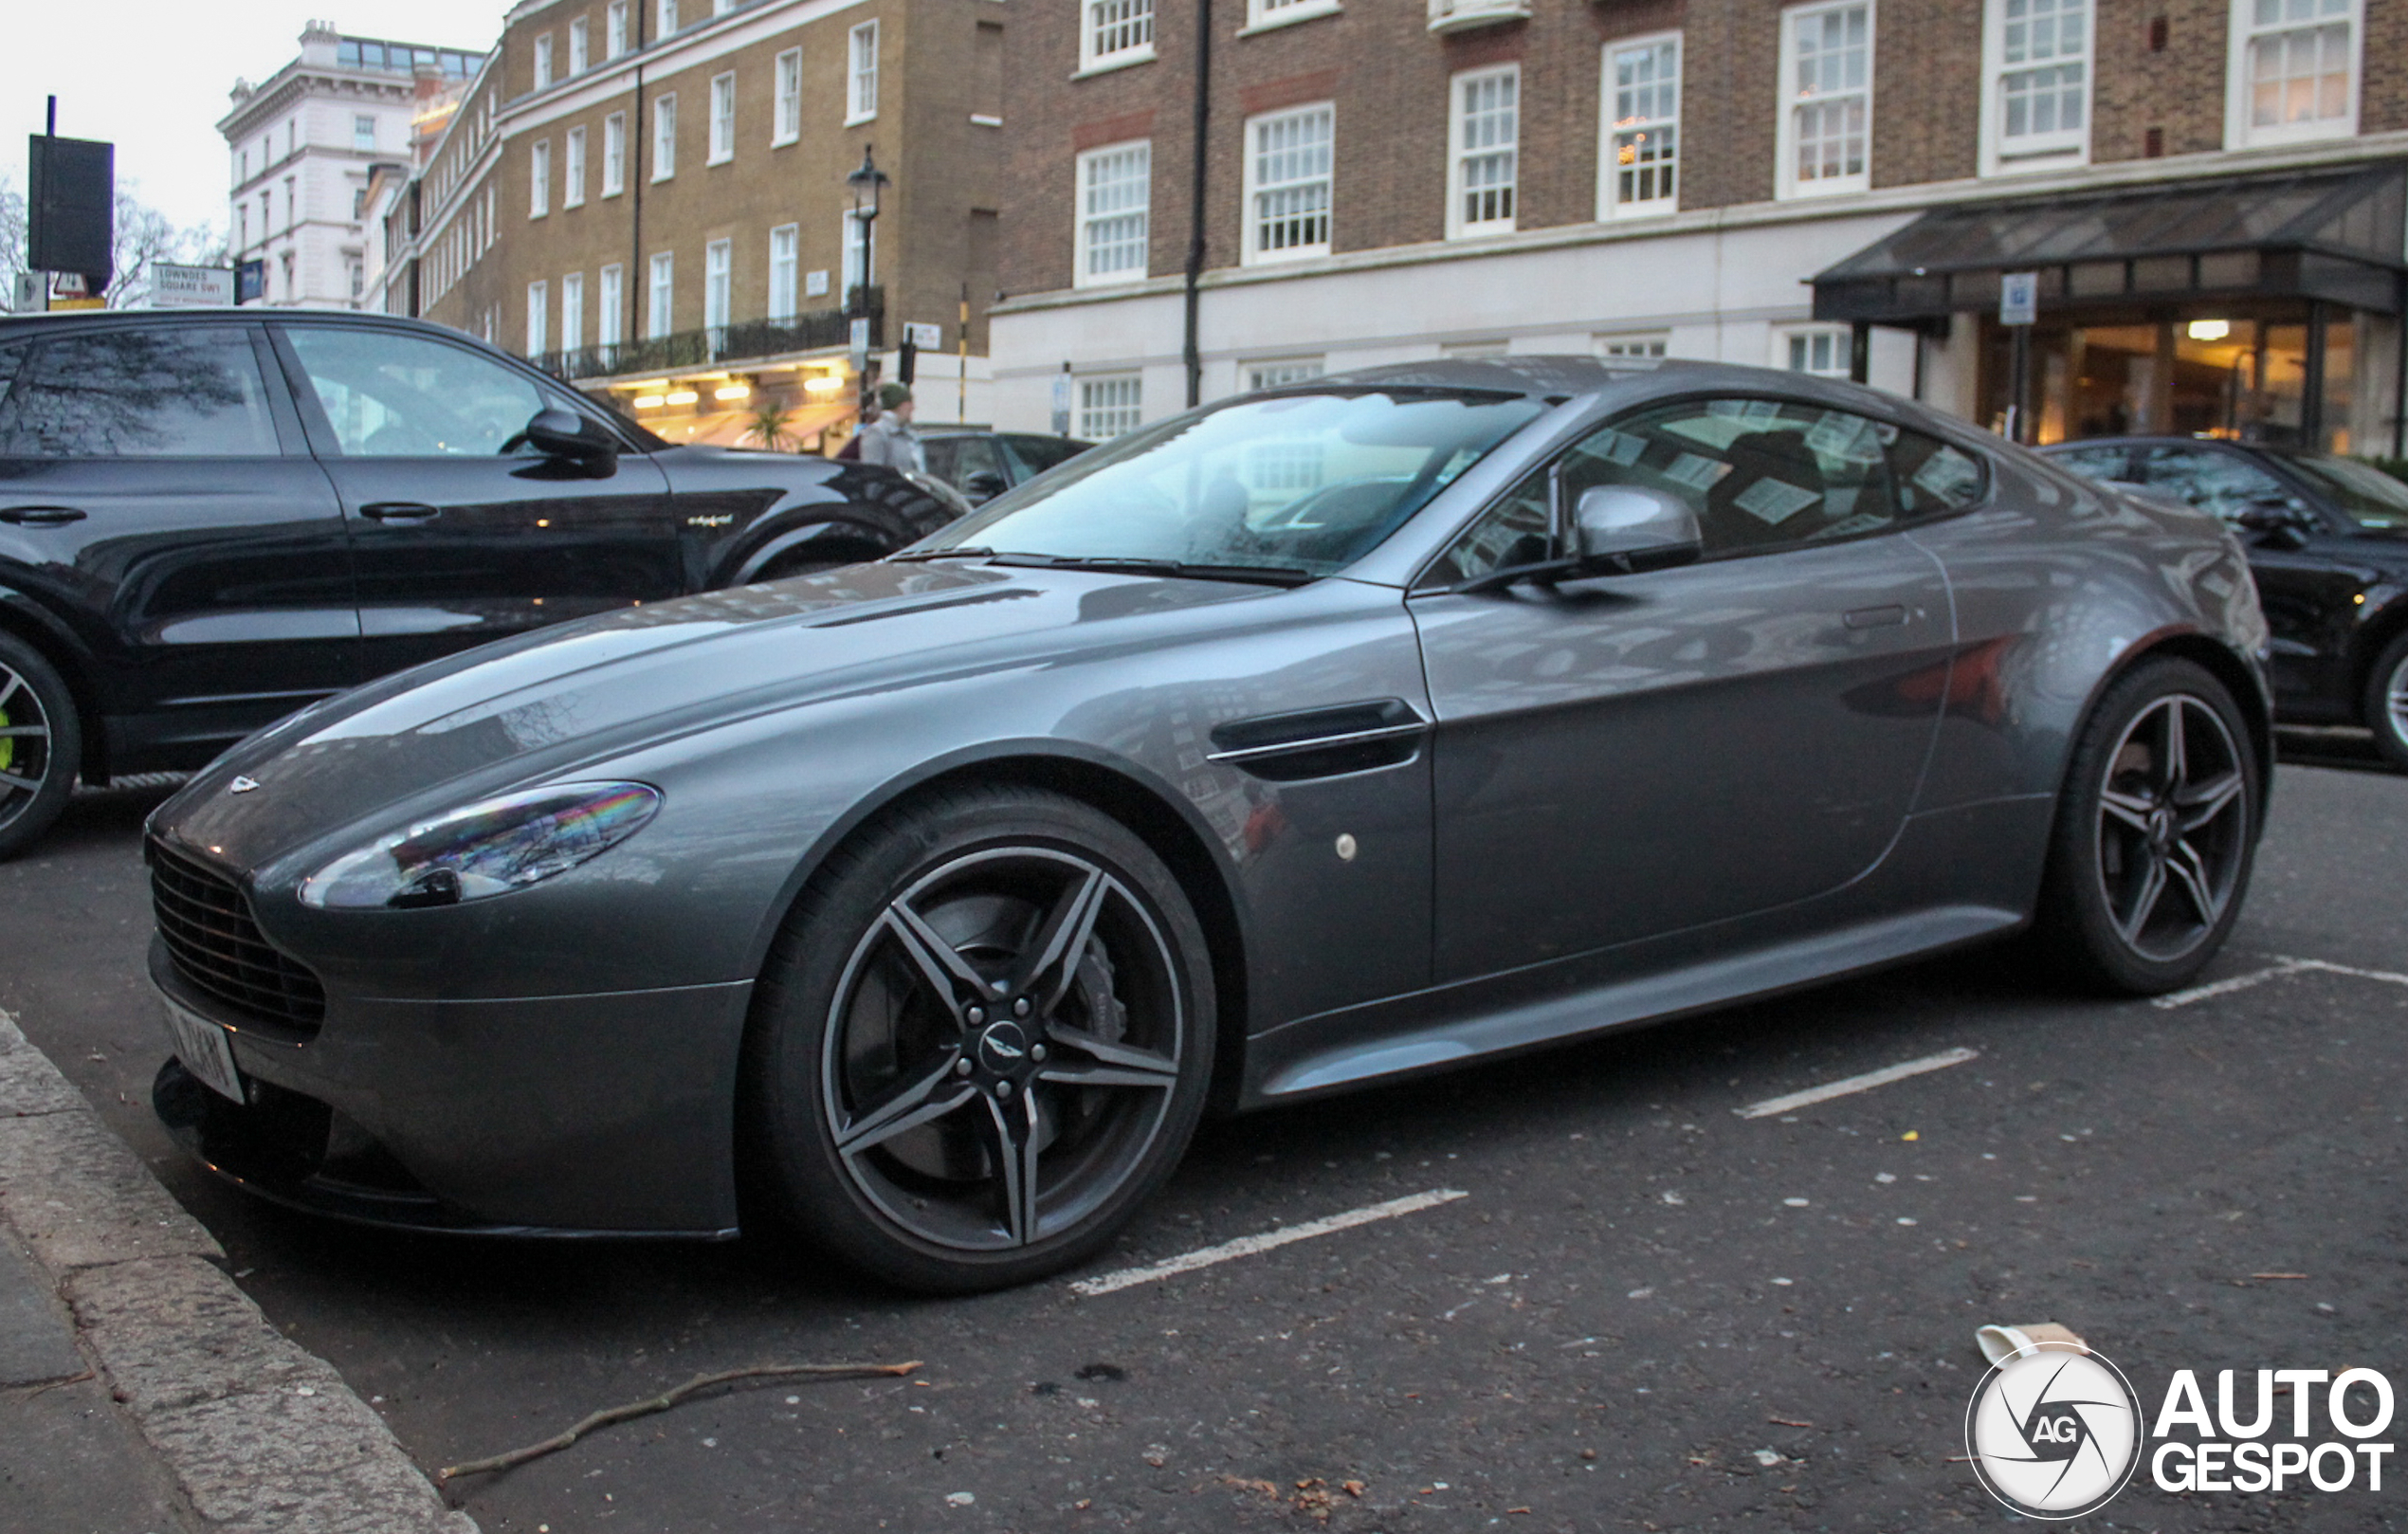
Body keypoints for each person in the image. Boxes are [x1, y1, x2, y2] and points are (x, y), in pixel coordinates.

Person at [852, 382, 924, 472]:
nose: (913, 408)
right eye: (909, 403)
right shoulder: (876, 433)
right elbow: (872, 474)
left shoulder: (908, 434)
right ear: (899, 405)